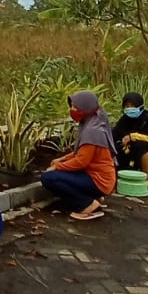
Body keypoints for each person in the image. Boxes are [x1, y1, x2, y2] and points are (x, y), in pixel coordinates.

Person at [40, 90, 117, 221]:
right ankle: (94, 197)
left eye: (75, 107)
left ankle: (86, 205)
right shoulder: (93, 122)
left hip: (99, 181)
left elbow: (81, 161)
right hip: (99, 176)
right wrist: (62, 159)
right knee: (58, 175)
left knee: (49, 178)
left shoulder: (92, 131)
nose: (72, 110)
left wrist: (58, 166)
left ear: (85, 108)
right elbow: (81, 152)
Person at [112, 92, 148, 183]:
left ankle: (145, 177)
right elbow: (115, 134)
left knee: (140, 145)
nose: (129, 109)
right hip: (134, 151)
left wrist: (134, 136)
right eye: (127, 106)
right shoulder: (125, 120)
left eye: (132, 106)